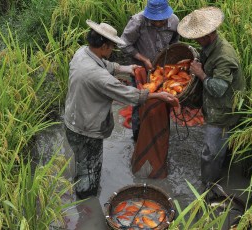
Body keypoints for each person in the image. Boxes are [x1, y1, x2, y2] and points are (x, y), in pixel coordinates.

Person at [64, 19, 177, 199]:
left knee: (82, 162)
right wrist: (158, 96)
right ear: (103, 47)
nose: (112, 51)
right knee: (91, 170)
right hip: (86, 129)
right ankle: (88, 202)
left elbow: (106, 66)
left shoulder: (82, 53)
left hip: (73, 120)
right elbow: (128, 95)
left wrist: (128, 68)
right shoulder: (97, 76)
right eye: (111, 47)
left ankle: (82, 188)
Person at [177, 7, 246, 183]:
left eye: (197, 38)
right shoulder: (210, 46)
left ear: (207, 35)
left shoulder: (224, 55)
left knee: (210, 153)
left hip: (223, 110)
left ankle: (208, 187)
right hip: (214, 106)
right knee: (221, 147)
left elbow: (218, 89)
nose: (195, 40)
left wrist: (200, 74)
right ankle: (219, 170)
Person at [119, 0, 180, 142]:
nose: (158, 23)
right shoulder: (137, 21)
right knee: (139, 101)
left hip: (162, 70)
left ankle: (161, 134)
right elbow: (123, 44)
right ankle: (138, 136)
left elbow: (174, 43)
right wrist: (143, 59)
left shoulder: (174, 21)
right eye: (154, 21)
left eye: (161, 20)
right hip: (139, 69)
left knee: (165, 99)